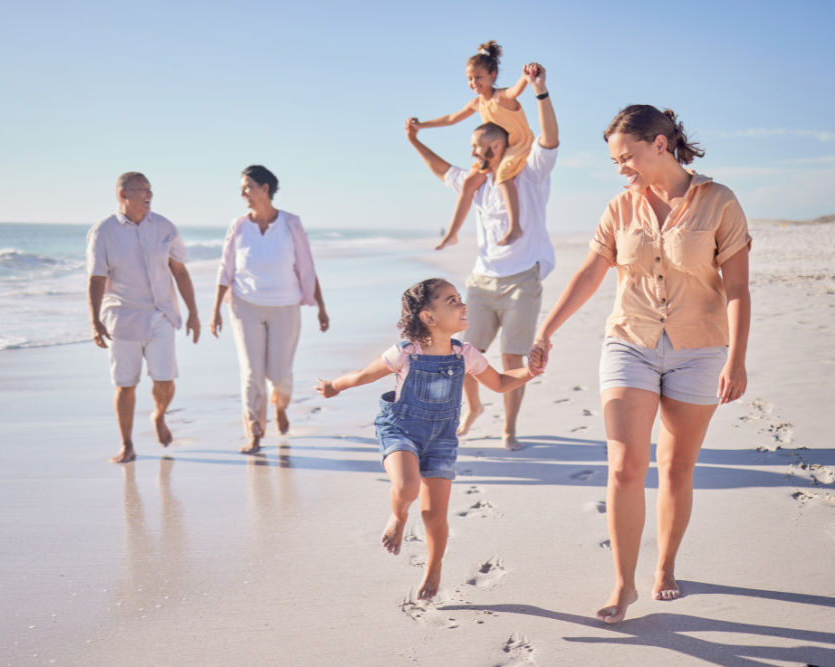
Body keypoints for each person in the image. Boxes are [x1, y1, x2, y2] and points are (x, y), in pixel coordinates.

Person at [528, 105, 752, 624]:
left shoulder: (719, 201)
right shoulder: (620, 207)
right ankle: (623, 582)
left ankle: (666, 567)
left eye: (626, 156)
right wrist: (546, 330)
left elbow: (737, 287)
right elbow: (590, 272)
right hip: (630, 341)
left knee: (676, 468)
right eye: (615, 160)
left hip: (700, 349)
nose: (621, 167)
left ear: (658, 143)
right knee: (626, 466)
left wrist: (736, 360)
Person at [315, 279, 539, 600]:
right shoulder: (406, 352)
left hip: (442, 441)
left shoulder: (465, 354)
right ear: (428, 317)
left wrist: (530, 371)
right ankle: (399, 514)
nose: (463, 305)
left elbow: (501, 382)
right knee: (406, 487)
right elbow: (365, 375)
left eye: (461, 299)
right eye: (451, 301)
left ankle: (433, 567)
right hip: (401, 430)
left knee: (434, 516)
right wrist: (334, 385)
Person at [405, 64, 558, 449]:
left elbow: (549, 139)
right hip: (481, 282)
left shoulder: (529, 174)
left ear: (497, 145)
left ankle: (509, 430)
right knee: (462, 355)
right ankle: (473, 409)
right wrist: (415, 140)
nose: (471, 154)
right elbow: (439, 169)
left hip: (522, 280)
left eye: (476, 147)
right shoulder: (476, 181)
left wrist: (540, 91)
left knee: (512, 360)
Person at [211, 165, 330, 454]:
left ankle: (280, 405)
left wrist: (320, 307)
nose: (243, 192)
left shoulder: (291, 224)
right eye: (242, 187)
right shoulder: (238, 225)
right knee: (252, 372)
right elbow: (225, 268)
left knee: (279, 374)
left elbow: (306, 267)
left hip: (285, 305)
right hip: (244, 304)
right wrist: (215, 309)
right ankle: (254, 431)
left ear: (265, 189)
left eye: (248, 186)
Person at [86, 172, 200, 464]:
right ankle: (127, 444)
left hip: (161, 314)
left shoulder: (164, 227)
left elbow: (180, 272)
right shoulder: (103, 232)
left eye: (151, 189)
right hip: (122, 317)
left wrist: (193, 314)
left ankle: (159, 415)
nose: (149, 194)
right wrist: (94, 321)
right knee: (125, 384)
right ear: (123, 195)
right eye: (142, 190)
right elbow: (96, 279)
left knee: (165, 381)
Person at [408, 41, 537, 248]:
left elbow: (515, 91)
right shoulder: (477, 103)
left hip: (517, 146)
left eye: (478, 77)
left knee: (503, 174)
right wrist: (421, 126)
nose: (473, 82)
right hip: (494, 150)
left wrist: (526, 76)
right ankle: (452, 233)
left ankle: (515, 227)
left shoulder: (500, 97)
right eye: (469, 78)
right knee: (468, 184)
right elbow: (451, 118)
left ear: (492, 76)